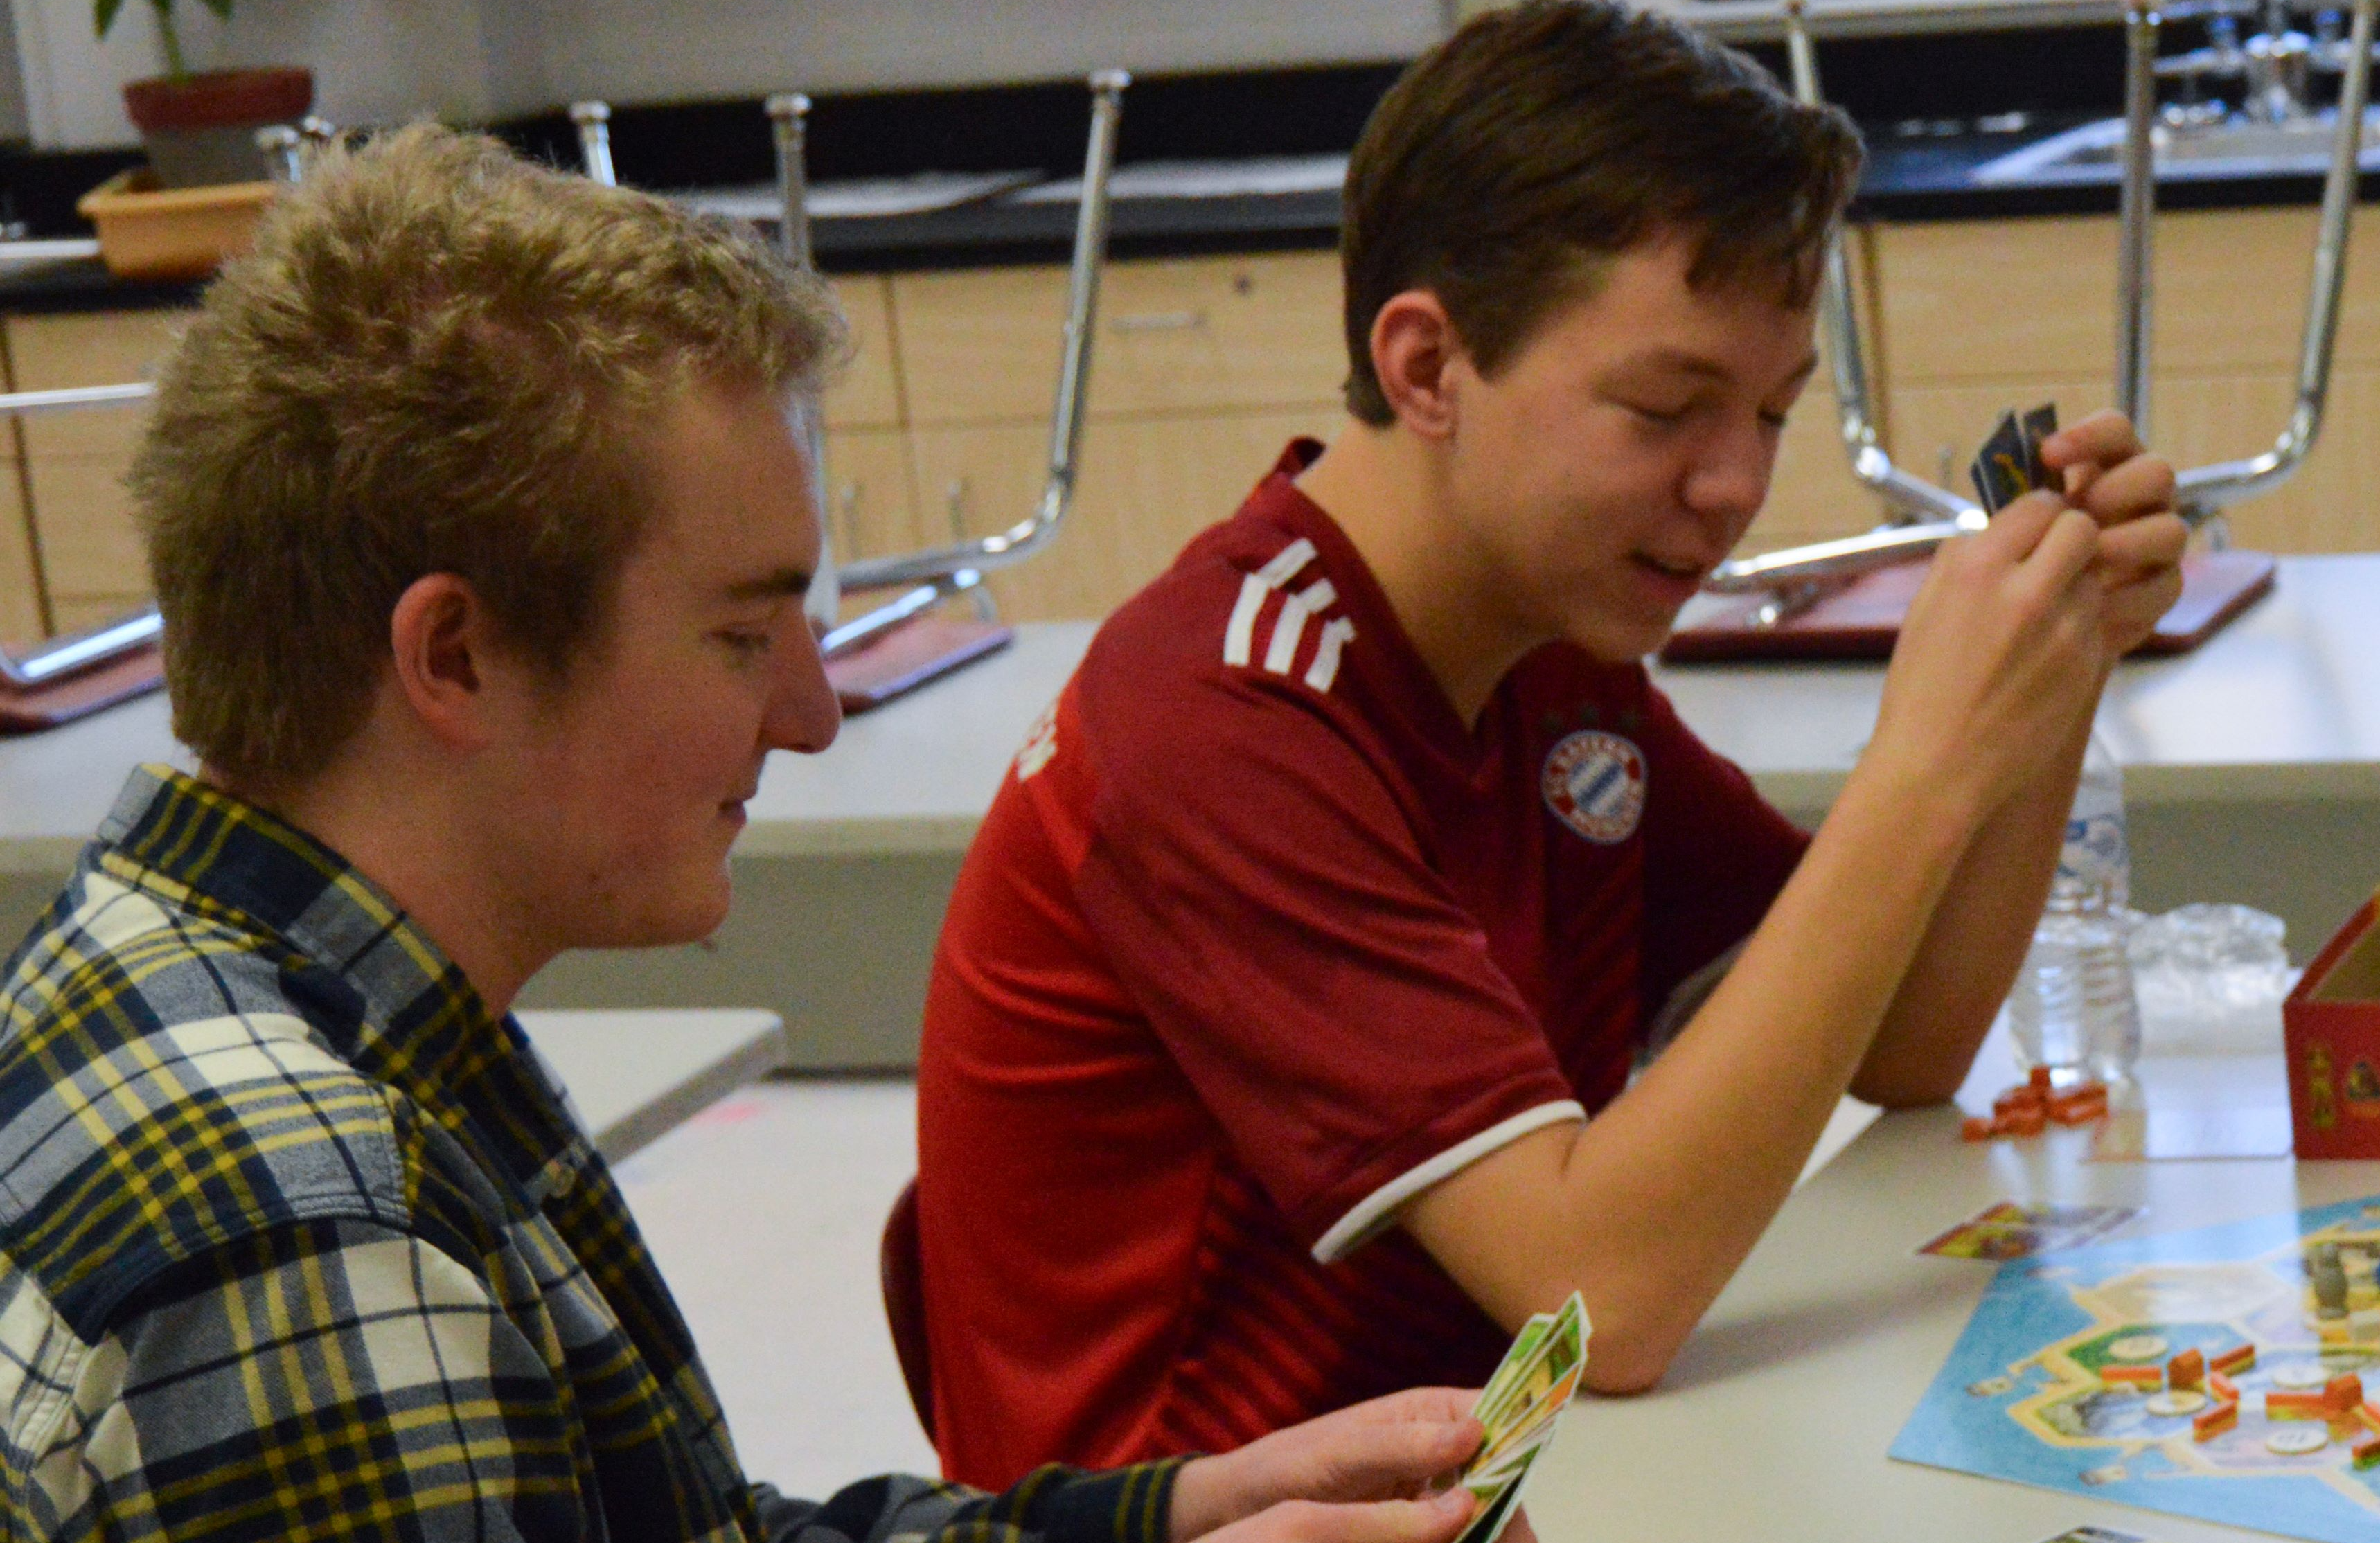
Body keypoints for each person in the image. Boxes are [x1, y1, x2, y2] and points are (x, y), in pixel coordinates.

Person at [0, 127, 1522, 1543]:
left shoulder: (292, 996)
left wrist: (1175, 1520)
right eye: (741, 634)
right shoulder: (310, 1228)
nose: (811, 715)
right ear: (453, 658)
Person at [907, 0, 2189, 1486]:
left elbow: (1902, 1041)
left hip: (1489, 1460)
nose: (1731, 486)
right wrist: (1925, 756)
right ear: (1428, 367)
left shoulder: (1547, 639)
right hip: (1227, 1508)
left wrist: (2048, 670)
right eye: (1664, 407)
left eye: (1771, 413)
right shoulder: (1221, 713)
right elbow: (1609, 1299)